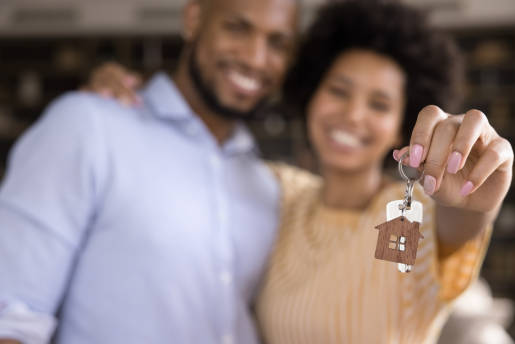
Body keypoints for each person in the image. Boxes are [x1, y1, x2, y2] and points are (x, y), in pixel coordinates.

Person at [84, 1, 514, 343]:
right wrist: (127, 110)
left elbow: (457, 223)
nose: (351, 115)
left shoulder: (406, 212)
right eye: (338, 91)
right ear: (310, 94)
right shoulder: (279, 194)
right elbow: (188, 164)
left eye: (379, 104)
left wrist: (476, 202)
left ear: (401, 124)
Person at [0, 0, 299, 343]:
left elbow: (376, 245)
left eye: (278, 44)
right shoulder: (89, 127)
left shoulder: (270, 187)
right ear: (193, 19)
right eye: (236, 28)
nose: (255, 58)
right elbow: (11, 317)